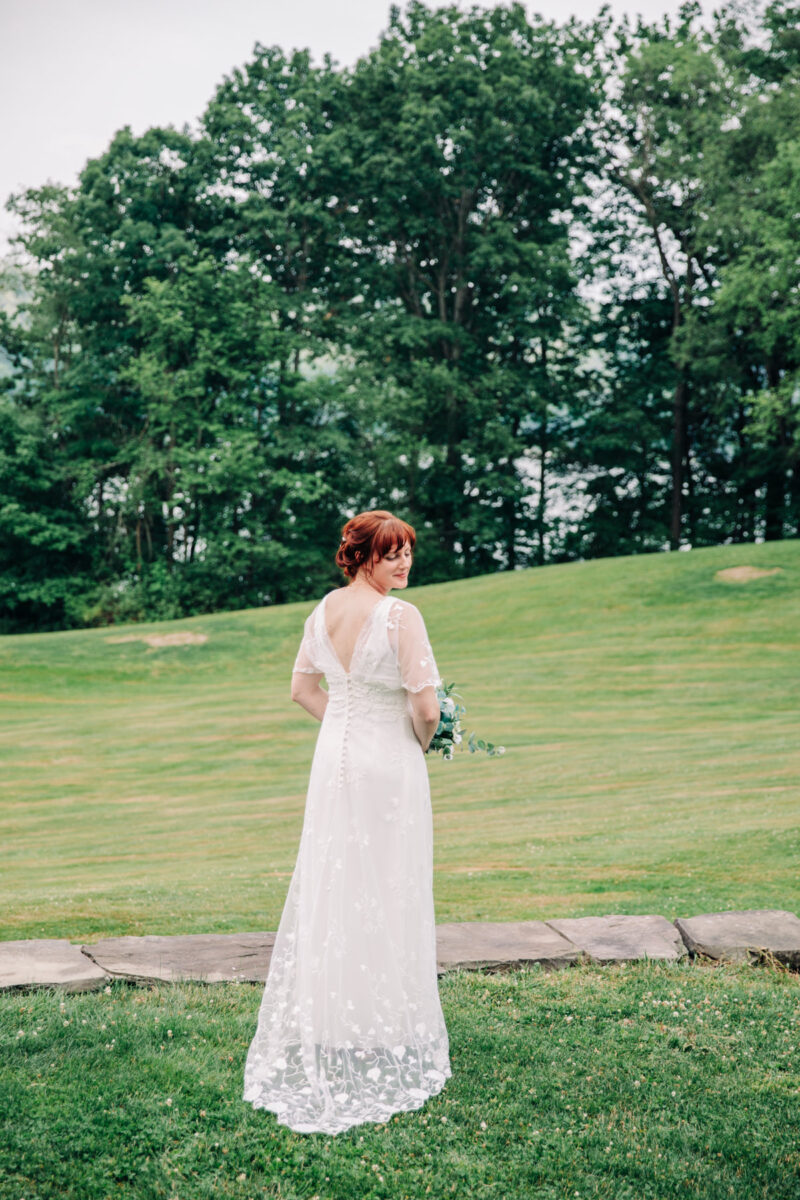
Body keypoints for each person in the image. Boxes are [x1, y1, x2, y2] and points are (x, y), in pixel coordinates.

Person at [242, 509, 452, 1135]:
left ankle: (339, 1020)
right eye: (391, 554)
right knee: (388, 884)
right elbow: (425, 706)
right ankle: (386, 1022)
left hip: (333, 764)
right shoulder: (399, 617)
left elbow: (303, 690)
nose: (404, 563)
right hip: (388, 762)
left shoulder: (322, 611)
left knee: (337, 883)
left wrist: (346, 720)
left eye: (408, 551)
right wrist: (417, 740)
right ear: (362, 556)